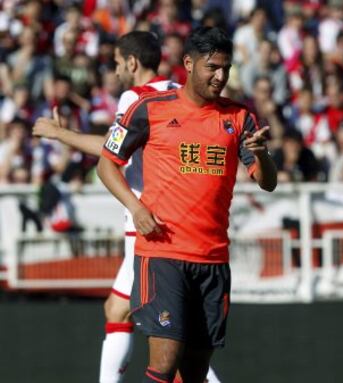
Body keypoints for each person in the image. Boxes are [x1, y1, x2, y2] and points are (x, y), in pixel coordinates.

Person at [32, 30, 220, 383]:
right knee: (123, 311)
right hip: (182, 223)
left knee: (166, 332)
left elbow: (112, 152)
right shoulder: (179, 94)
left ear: (131, 62)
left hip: (149, 228)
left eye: (118, 64)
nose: (116, 71)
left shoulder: (135, 97)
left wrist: (61, 135)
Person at [97, 26, 277, 383]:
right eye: (212, 67)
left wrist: (263, 156)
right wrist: (136, 208)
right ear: (189, 64)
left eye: (225, 68)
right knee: (163, 365)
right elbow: (107, 164)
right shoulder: (148, 108)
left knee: (192, 374)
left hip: (212, 259)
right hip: (163, 256)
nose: (220, 76)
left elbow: (267, 182)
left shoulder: (240, 117)